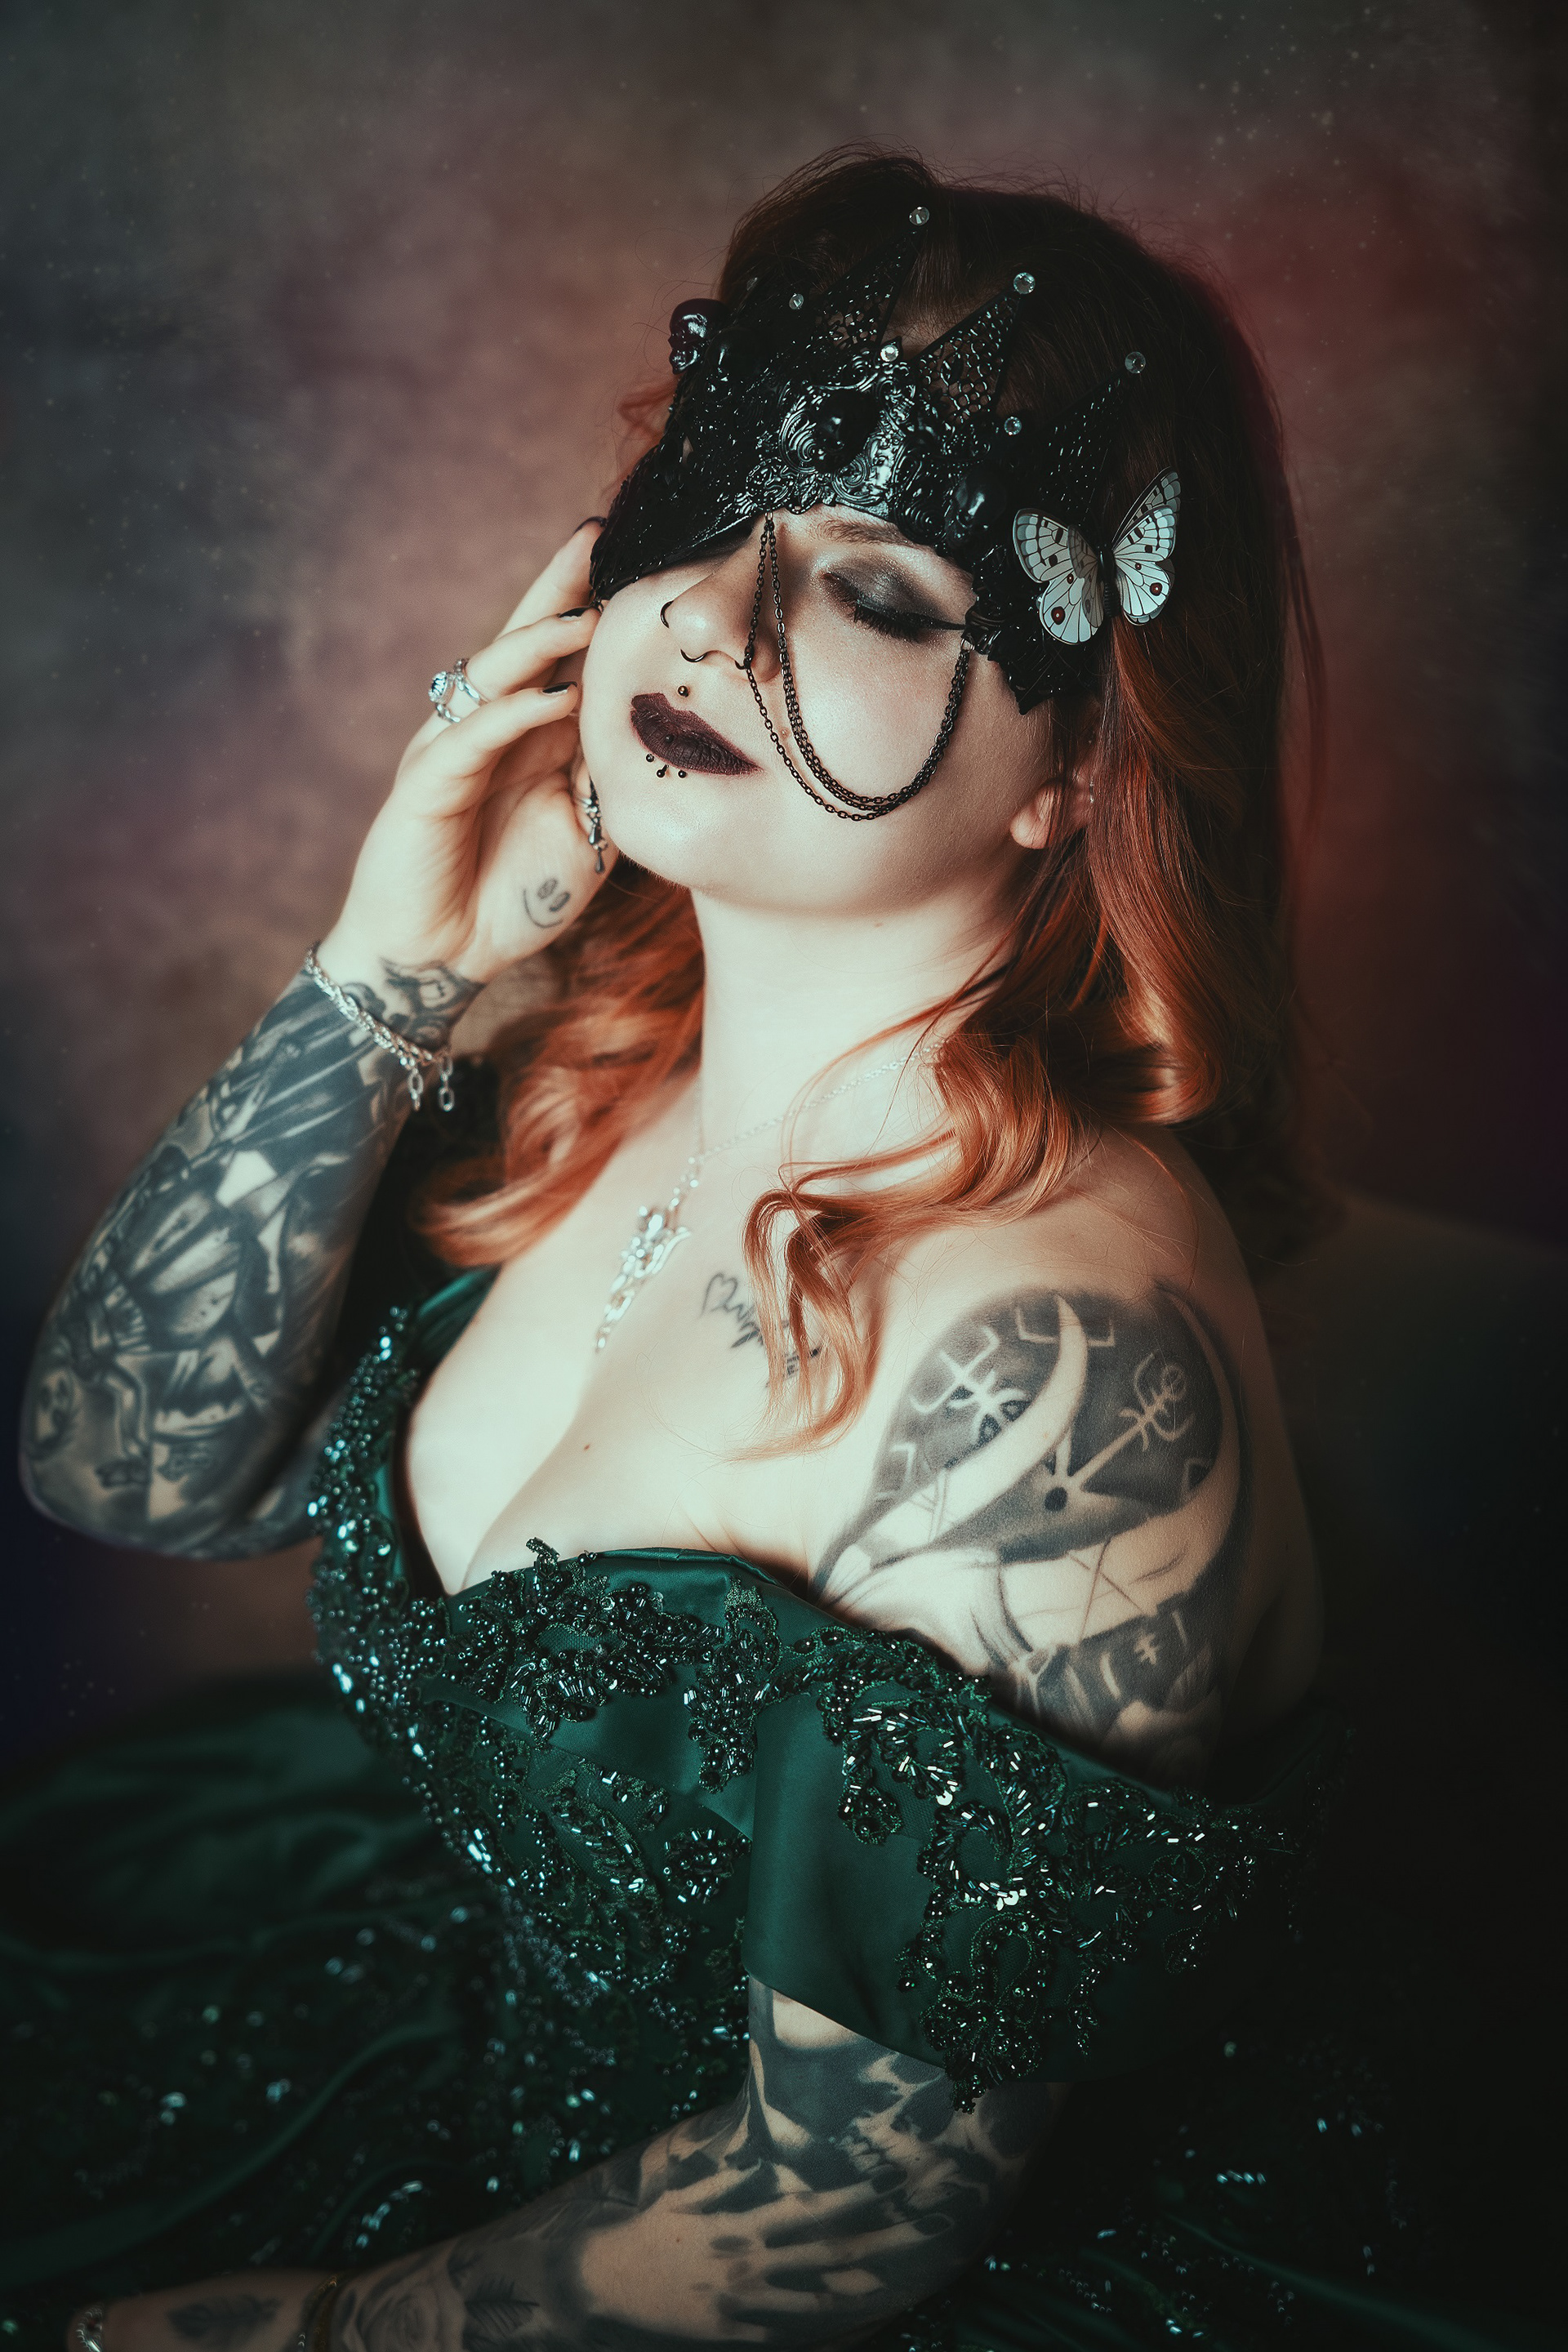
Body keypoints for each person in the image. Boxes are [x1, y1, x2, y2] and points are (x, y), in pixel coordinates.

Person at [7, 153, 1519, 2352]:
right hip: (455, 2046)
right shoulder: (601, 1067)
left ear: (1076, 767)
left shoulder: (1049, 1364)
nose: (712, 616)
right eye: (706, 511)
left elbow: (849, 2210)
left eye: (878, 591)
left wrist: (312, 2334)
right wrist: (384, 972)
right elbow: (128, 1474)